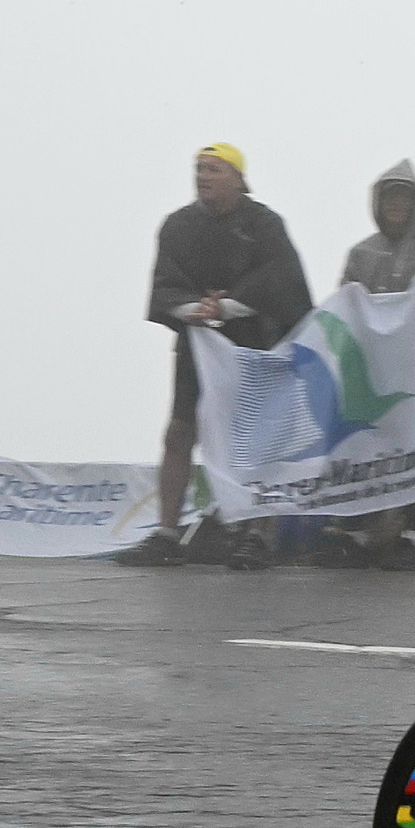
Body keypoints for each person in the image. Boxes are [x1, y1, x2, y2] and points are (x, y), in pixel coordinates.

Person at [121, 144, 309, 570]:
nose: (203, 176)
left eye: (214, 169)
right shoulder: (178, 226)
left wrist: (229, 305)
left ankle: (258, 534)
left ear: (239, 179)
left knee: (258, 438)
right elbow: (165, 285)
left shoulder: (265, 225)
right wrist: (196, 310)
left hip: (256, 344)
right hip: (198, 344)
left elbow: (284, 283)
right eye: (199, 169)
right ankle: (168, 533)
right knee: (179, 431)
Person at [339, 157, 415, 568]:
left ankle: (407, 531)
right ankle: (359, 533)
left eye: (403, 198)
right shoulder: (360, 254)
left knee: (411, 446)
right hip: (371, 372)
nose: (395, 205)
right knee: (365, 444)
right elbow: (344, 311)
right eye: (389, 197)